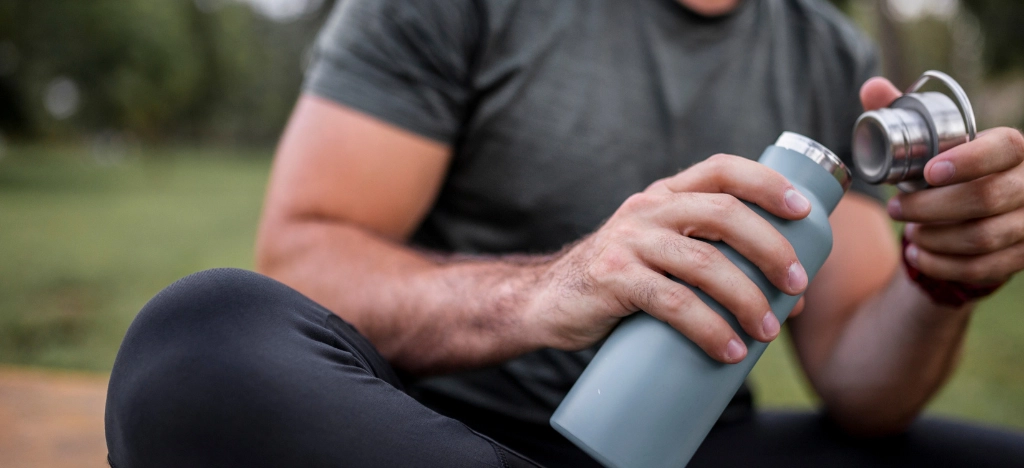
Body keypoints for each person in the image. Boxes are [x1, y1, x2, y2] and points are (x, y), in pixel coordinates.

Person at [105, 0, 1024, 466]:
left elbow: (865, 393)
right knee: (197, 342)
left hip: (685, 447)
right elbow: (304, 257)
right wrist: (545, 290)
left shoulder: (823, 46)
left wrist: (938, 279)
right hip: (428, 437)